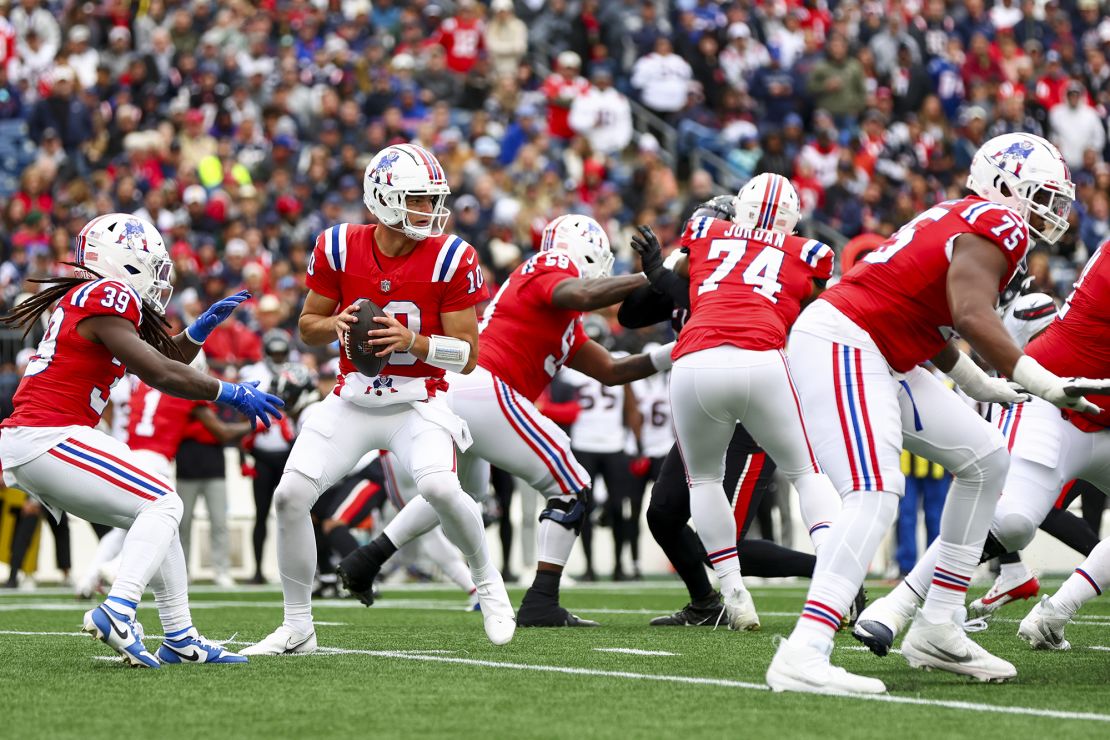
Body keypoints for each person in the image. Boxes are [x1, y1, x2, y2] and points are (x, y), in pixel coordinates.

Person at [766, 133, 1094, 694]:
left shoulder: (961, 217)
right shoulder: (998, 222)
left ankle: (938, 624)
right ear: (1007, 184)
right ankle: (805, 650)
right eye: (1042, 194)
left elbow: (932, 322)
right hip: (847, 341)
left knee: (988, 459)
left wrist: (981, 386)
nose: (1053, 209)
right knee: (874, 491)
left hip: (881, 349)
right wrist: (1041, 380)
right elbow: (968, 315)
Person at [242, 143, 515, 655]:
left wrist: (412, 341)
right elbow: (307, 326)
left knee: (438, 486)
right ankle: (297, 626)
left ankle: (488, 583)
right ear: (383, 198)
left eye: (432, 199)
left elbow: (471, 354)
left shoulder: (453, 256)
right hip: (353, 399)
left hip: (418, 401)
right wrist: (336, 324)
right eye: (417, 199)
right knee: (289, 497)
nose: (428, 210)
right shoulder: (339, 246)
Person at [337, 214, 673, 627]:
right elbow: (582, 293)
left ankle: (366, 560)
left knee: (460, 494)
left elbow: (613, 371)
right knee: (572, 485)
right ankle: (542, 602)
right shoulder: (553, 267)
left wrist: (678, 349)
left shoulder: (561, 316)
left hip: (465, 392)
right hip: (486, 387)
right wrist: (653, 277)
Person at [0, 213, 283, 667]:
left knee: (157, 509)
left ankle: (180, 637)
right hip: (47, 433)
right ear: (121, 261)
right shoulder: (105, 293)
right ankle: (119, 608)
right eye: (150, 264)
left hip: (42, 437)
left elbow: (159, 360)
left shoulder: (90, 298)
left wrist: (197, 332)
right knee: (165, 504)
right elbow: (159, 371)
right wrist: (228, 391)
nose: (157, 277)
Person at [864, 238, 1110, 652]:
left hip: (1102, 420)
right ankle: (896, 605)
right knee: (1012, 521)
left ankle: (1054, 615)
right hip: (1053, 404)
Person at [622, 195, 851, 628]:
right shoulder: (699, 269)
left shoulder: (754, 265)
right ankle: (706, 603)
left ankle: (833, 576)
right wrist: (660, 270)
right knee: (664, 513)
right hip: (713, 388)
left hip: (754, 409)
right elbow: (631, 314)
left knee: (725, 542)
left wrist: (662, 270)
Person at [127, 351, 251, 588]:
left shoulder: (203, 388)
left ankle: (220, 570)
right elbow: (222, 431)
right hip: (186, 462)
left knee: (218, 522)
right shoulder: (183, 392)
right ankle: (182, 572)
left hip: (212, 463)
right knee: (181, 525)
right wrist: (250, 426)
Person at [560, 314, 641, 581]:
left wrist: (636, 443)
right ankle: (590, 567)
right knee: (585, 508)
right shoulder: (570, 367)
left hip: (613, 444)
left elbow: (631, 406)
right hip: (583, 444)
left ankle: (620, 565)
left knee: (619, 507)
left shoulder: (616, 360)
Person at [239, 329, 299, 584]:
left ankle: (296, 570)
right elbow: (242, 409)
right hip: (262, 452)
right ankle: (258, 570)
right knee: (261, 513)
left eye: (281, 352)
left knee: (293, 513)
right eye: (273, 352)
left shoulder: (297, 372)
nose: (277, 357)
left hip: (288, 453)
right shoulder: (252, 373)